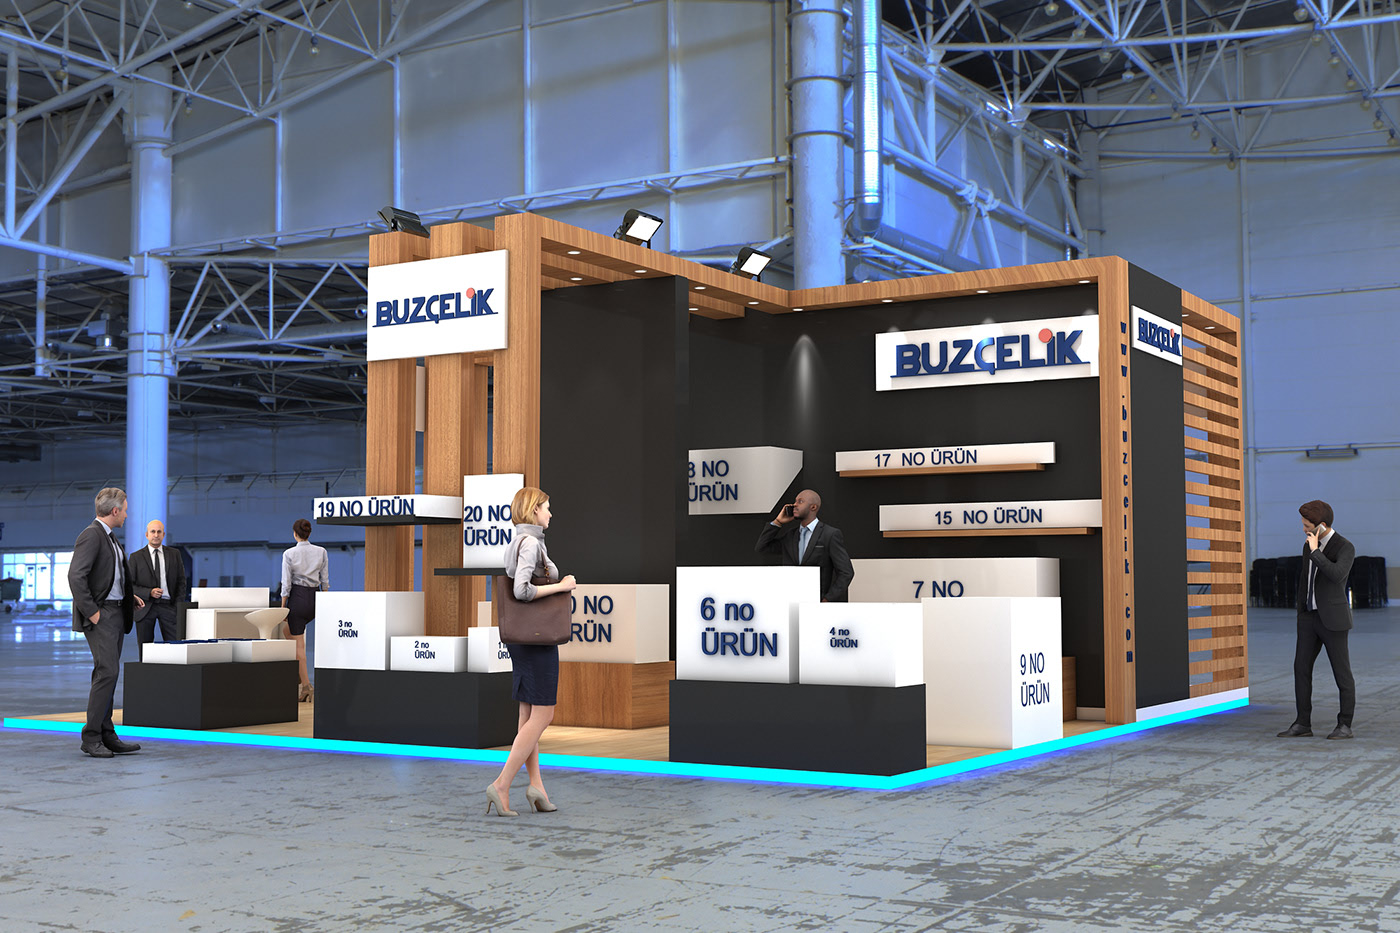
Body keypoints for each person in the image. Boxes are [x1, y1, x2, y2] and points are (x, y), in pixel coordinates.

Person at [486, 486, 577, 817]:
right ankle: (501, 784)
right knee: (543, 715)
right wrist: (562, 586)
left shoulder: (519, 541)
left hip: (523, 640)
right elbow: (522, 590)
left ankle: (536, 786)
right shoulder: (530, 544)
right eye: (546, 507)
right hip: (537, 642)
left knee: (527, 717)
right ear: (534, 510)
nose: (550, 513)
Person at [68, 487, 145, 759]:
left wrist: (128, 596)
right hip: (102, 616)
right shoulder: (92, 535)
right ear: (115, 511)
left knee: (108, 674)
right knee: (107, 672)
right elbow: (76, 576)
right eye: (125, 510)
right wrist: (93, 613)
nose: (127, 515)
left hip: (116, 612)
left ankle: (107, 734)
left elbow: (108, 576)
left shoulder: (109, 537)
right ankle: (91, 738)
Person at [1278, 499, 1356, 740]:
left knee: (1341, 673)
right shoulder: (1308, 545)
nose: (1303, 529)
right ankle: (1303, 723)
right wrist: (1301, 612)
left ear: (1321, 525)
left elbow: (1336, 575)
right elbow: (1306, 580)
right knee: (1301, 668)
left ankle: (1344, 725)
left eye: (1307, 525)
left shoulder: (1345, 546)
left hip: (1333, 619)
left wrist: (1316, 552)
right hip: (1308, 618)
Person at [755, 488, 854, 602]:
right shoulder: (790, 535)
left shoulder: (830, 534)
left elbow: (846, 572)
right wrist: (778, 522)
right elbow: (762, 547)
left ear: (813, 507)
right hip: (790, 601)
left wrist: (827, 599)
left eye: (800, 501)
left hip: (817, 602)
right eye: (795, 501)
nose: (794, 505)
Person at [280, 518, 329, 702]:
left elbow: (286, 584)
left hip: (298, 598)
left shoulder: (289, 554)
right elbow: (325, 580)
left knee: (298, 645)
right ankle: (300, 673)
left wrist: (283, 606)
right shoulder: (321, 551)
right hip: (315, 599)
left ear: (295, 534)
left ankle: (306, 686)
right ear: (309, 533)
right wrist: (325, 602)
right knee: (288, 633)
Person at [129, 519, 187, 658]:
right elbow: (129, 585)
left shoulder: (174, 554)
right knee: (145, 651)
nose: (156, 535)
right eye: (153, 532)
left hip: (169, 607)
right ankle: (146, 672)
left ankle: (174, 670)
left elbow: (181, 581)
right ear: (147, 535)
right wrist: (148, 592)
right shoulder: (136, 557)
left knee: (175, 648)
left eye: (159, 532)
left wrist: (177, 606)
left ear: (163, 534)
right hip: (144, 607)